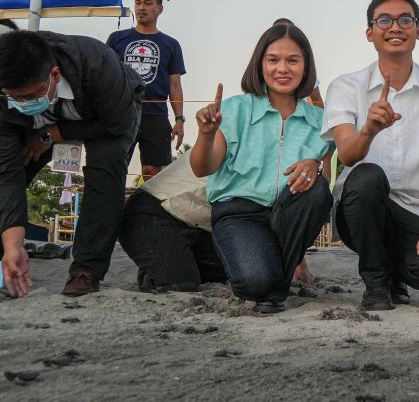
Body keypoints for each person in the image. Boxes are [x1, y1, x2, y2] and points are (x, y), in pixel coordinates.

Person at [324, 0, 419, 311]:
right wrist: (369, 129)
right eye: (384, 20)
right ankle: (376, 282)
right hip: (359, 209)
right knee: (368, 176)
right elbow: (348, 155)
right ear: (370, 32)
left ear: (418, 30)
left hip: (414, 211)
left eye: (405, 20)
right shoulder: (345, 86)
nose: (395, 27)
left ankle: (393, 271)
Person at [190, 24, 331, 314]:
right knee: (254, 282)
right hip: (239, 214)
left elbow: (322, 187)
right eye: (273, 60)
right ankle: (270, 281)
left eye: (293, 60)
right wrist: (205, 133)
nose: (283, 68)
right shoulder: (233, 109)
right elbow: (202, 167)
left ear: (306, 66)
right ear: (260, 64)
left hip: (287, 214)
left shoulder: (321, 121)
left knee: (318, 190)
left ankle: (275, 285)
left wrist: (315, 164)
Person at [0, 30, 143, 298]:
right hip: (47, 122)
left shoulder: (98, 65)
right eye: (15, 98)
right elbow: (7, 173)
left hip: (108, 114)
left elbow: (116, 124)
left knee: (105, 169)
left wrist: (51, 134)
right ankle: (6, 259)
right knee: (14, 163)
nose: (24, 104)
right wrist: (14, 242)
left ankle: (86, 269)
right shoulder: (4, 95)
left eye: (31, 96)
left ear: (54, 75)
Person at [107, 0, 186, 180]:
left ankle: (148, 210)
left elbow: (175, 84)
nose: (141, 7)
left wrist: (179, 119)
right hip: (122, 112)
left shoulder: (171, 44)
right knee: (115, 167)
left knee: (152, 172)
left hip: (156, 114)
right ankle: (114, 208)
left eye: (148, 3)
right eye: (138, 3)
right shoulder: (117, 39)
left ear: (159, 9)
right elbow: (105, 77)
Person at [119, 153, 226, 292]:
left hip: (197, 224)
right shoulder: (232, 143)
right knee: (179, 284)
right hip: (153, 211)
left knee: (241, 272)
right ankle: (156, 266)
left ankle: (176, 258)